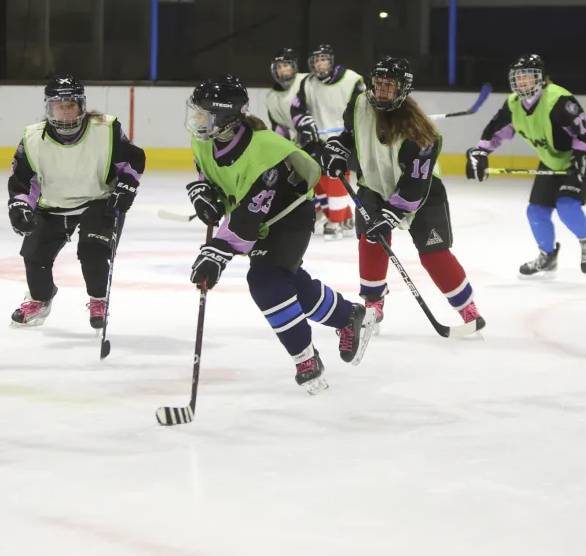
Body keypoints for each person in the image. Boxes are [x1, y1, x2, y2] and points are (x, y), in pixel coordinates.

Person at [185, 74, 376, 394]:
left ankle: (305, 358)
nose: (197, 119)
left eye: (205, 113)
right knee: (287, 281)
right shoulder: (205, 139)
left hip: (289, 216)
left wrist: (217, 252)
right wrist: (204, 193)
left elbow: (247, 217)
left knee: (265, 281)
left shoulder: (265, 152)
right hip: (259, 217)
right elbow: (211, 175)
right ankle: (348, 315)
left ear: (225, 116)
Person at [319, 56, 485, 335]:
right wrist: (338, 150)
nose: (381, 91)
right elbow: (350, 135)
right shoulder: (358, 104)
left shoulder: (422, 134)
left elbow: (414, 185)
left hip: (422, 192)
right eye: (378, 84)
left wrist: (393, 213)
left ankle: (467, 307)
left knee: (434, 253)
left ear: (402, 89)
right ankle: (373, 304)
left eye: (389, 86)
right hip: (373, 185)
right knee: (371, 240)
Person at [7, 75, 145, 329]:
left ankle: (98, 300)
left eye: (70, 105)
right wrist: (20, 205)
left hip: (98, 199)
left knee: (93, 251)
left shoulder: (105, 129)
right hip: (52, 205)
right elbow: (24, 179)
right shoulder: (33, 138)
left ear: (81, 106)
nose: (65, 111)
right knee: (34, 254)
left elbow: (133, 159)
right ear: (49, 108)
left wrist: (126, 187)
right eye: (59, 106)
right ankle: (40, 299)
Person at [465, 54, 586, 277]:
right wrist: (481, 151)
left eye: (528, 76)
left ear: (541, 78)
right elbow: (495, 131)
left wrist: (582, 156)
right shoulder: (513, 104)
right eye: (518, 77)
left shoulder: (558, 100)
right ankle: (547, 257)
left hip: (585, 156)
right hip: (552, 160)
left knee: (567, 205)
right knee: (536, 211)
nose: (522, 81)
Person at [289, 44, 363, 240]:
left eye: (323, 59)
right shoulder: (308, 83)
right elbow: (297, 108)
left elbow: (363, 107)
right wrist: (304, 122)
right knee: (319, 181)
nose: (320, 64)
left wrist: (354, 126)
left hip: (345, 140)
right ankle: (345, 217)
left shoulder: (352, 80)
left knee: (336, 178)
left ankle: (336, 222)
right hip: (319, 141)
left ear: (331, 60)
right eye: (316, 60)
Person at [265, 47, 305, 140]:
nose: (282, 70)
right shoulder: (272, 98)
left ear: (293, 66)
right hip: (303, 142)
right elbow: (280, 131)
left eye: (286, 65)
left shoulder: (307, 82)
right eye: (279, 67)